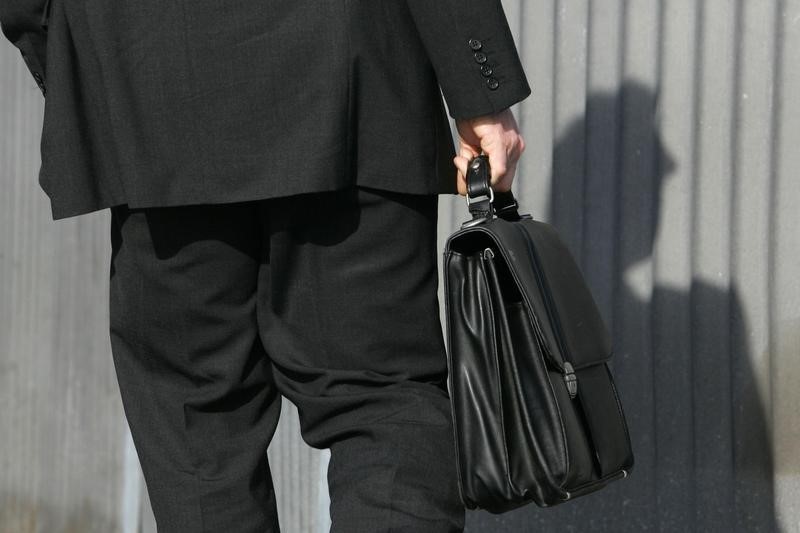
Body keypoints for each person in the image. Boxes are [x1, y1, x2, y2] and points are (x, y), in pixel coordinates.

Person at [1, 0, 531, 531]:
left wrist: (78, 64)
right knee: (380, 400)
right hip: (353, 77)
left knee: (198, 430)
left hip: (150, 90)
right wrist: (478, 91)